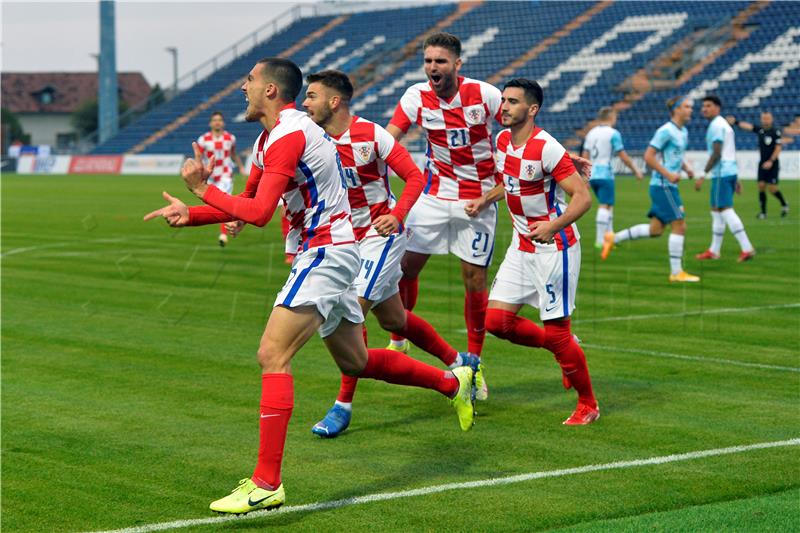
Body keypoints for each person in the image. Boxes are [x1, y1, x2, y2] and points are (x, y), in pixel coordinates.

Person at [143, 57, 476, 515]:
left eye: (250, 81)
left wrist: (202, 191)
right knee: (355, 360)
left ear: (272, 92)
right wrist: (194, 215)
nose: (243, 88)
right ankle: (451, 382)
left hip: (325, 252)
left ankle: (266, 483)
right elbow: (248, 202)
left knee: (271, 354)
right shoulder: (272, 138)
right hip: (333, 251)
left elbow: (258, 215)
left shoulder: (289, 135)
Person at [302, 69, 479, 438]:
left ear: (334, 101)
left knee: (352, 313)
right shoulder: (312, 139)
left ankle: (343, 406)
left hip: (380, 234)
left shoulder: (372, 134)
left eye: (312, 96)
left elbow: (414, 177)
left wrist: (396, 216)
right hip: (344, 240)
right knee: (395, 320)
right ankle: (461, 363)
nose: (306, 103)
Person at [465, 78, 599, 425]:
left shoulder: (547, 147)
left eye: (512, 102)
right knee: (496, 321)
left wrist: (552, 226)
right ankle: (564, 348)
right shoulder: (502, 140)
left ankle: (588, 404)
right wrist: (485, 199)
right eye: (504, 101)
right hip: (521, 246)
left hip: (555, 247)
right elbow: (510, 182)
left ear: (532, 109)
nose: (504, 107)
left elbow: (582, 198)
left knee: (556, 330)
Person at [384, 32, 500, 400]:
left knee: (474, 280)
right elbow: (389, 140)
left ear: (457, 65)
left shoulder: (484, 95)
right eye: (429, 61)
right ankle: (398, 338)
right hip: (433, 197)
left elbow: (521, 130)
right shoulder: (415, 97)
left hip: (478, 200)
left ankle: (475, 364)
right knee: (404, 267)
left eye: (441, 61)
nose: (433, 68)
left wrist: (559, 158)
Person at [601, 96, 700, 283]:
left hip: (667, 185)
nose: (690, 110)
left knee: (656, 230)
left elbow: (674, 155)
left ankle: (613, 238)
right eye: (687, 106)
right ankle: (676, 272)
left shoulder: (683, 131)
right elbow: (648, 156)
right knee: (680, 225)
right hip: (663, 185)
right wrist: (668, 174)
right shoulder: (665, 131)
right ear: (676, 109)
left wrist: (685, 167)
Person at [695, 95, 756, 262]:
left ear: (717, 108)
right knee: (716, 210)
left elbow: (717, 153)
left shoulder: (716, 126)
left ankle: (747, 248)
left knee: (725, 210)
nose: (704, 109)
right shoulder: (725, 125)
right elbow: (730, 152)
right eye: (703, 106)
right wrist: (736, 177)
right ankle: (714, 250)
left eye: (708, 105)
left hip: (721, 173)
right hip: (728, 171)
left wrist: (702, 174)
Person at [581, 107, 643, 248]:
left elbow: (585, 155)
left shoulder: (591, 133)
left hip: (592, 173)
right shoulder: (613, 133)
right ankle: (600, 240)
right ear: (611, 117)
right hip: (605, 174)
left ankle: (610, 237)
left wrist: (585, 176)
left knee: (609, 206)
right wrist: (635, 170)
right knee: (605, 205)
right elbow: (622, 155)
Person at [196, 111, 246, 246]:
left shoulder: (230, 138)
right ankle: (225, 229)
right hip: (210, 176)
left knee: (224, 204)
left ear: (223, 122)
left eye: (219, 120)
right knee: (215, 205)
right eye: (214, 120)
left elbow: (234, 154)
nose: (217, 122)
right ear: (210, 123)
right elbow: (198, 158)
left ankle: (223, 234)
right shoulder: (203, 139)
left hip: (225, 175)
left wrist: (241, 167)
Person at [727, 111, 789, 218]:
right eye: (763, 119)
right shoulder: (760, 130)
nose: (765, 121)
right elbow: (748, 126)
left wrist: (771, 161)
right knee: (761, 186)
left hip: (773, 163)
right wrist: (735, 122)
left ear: (771, 119)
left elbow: (778, 148)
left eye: (767, 118)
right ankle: (763, 212)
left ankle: (784, 204)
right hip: (762, 163)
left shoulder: (776, 132)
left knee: (772, 189)